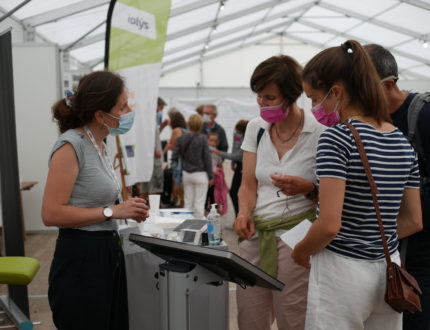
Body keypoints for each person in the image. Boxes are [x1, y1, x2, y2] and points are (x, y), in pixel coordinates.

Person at [291, 40, 423, 330]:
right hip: (389, 271)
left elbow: (329, 225)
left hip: (341, 272)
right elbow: (414, 220)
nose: (314, 107)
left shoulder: (337, 138)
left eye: (315, 98)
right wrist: (371, 238)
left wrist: (300, 250)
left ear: (336, 92)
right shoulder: (402, 140)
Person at [42, 71, 149, 330]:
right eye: (122, 106)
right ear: (101, 115)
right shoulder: (71, 146)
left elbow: (95, 200)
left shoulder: (100, 143)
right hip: (81, 259)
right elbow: (51, 214)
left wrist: (126, 210)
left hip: (106, 251)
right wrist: (113, 212)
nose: (128, 111)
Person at [234, 55, 326, 330]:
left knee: (293, 316)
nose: (262, 103)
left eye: (270, 97)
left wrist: (308, 188)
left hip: (297, 238)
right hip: (255, 236)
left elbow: (335, 194)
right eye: (259, 96)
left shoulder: (320, 131)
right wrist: (243, 213)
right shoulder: (256, 128)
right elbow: (248, 184)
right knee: (250, 316)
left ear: (292, 95)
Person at [365, 43, 430, 330]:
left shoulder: (423, 115)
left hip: (421, 251)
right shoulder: (370, 123)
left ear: (389, 84)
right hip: (389, 250)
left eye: (363, 87)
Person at [172, 114, 213, 219]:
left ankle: (187, 229)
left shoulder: (181, 138)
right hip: (201, 174)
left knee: (188, 203)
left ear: (188, 124)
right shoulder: (203, 138)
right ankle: (199, 230)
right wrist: (211, 176)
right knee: (199, 203)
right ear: (200, 125)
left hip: (186, 174)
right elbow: (207, 158)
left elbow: (174, 156)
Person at [212, 119, 248, 216]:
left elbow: (238, 155)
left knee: (235, 192)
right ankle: (238, 216)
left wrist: (220, 153)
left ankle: (240, 216)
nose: (236, 133)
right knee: (233, 192)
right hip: (238, 166)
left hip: (244, 167)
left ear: (243, 131)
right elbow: (234, 148)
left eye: (238, 131)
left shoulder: (247, 139)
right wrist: (232, 163)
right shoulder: (238, 136)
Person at [164, 109, 188, 207]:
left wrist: (162, 152)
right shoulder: (186, 130)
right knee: (183, 190)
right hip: (185, 163)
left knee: (177, 187)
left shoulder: (176, 130)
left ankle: (177, 205)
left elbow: (171, 145)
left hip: (177, 162)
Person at [206, 132, 229, 215]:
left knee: (215, 196)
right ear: (207, 140)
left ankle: (215, 212)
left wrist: (221, 176)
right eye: (211, 140)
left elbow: (220, 165)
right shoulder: (205, 152)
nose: (213, 143)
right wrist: (212, 173)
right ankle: (206, 215)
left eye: (215, 141)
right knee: (206, 198)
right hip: (207, 178)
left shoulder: (217, 153)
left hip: (216, 179)